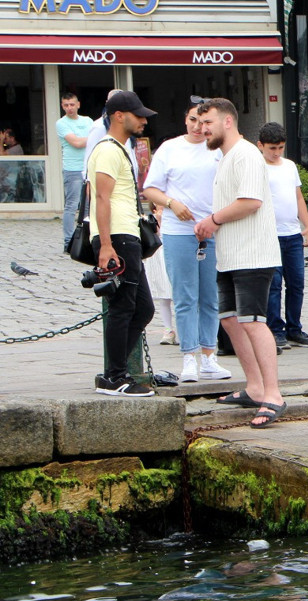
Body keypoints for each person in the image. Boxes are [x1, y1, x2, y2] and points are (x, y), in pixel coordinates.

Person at [193, 97, 286, 428]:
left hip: (253, 253)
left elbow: (251, 202)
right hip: (230, 255)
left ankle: (273, 394)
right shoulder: (226, 157)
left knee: (253, 321)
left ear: (228, 122)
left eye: (208, 123)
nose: (203, 129)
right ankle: (254, 386)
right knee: (231, 320)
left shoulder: (246, 154)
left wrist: (212, 220)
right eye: (200, 123)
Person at [142, 98, 226, 383]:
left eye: (204, 122)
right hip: (179, 230)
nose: (198, 127)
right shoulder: (170, 148)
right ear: (185, 120)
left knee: (210, 296)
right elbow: (150, 188)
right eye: (193, 120)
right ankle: (189, 356)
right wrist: (170, 203)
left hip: (213, 228)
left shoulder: (219, 149)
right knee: (185, 295)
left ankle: (210, 355)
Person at [85, 91, 156, 397]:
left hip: (126, 234)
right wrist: (104, 244)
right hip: (116, 237)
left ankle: (116, 372)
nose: (143, 120)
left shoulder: (119, 149)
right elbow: (100, 197)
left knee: (142, 308)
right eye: (138, 115)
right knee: (124, 306)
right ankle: (114, 377)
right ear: (118, 116)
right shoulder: (107, 150)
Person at [258, 122, 308, 351]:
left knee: (297, 283)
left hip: (292, 233)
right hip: (270, 233)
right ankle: (275, 328)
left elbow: (298, 197)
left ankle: (294, 327)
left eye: (280, 148)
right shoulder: (258, 167)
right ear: (260, 146)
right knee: (274, 285)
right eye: (272, 148)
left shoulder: (289, 166)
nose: (276, 153)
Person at [57, 92, 93, 251]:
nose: (69, 108)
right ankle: (68, 242)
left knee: (87, 206)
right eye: (66, 105)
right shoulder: (61, 123)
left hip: (88, 167)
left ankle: (85, 239)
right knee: (71, 206)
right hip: (72, 169)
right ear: (62, 106)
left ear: (78, 104)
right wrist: (92, 137)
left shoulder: (88, 121)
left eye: (72, 104)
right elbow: (76, 143)